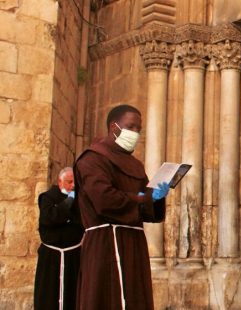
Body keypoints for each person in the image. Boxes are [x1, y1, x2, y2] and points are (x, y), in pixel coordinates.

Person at [74, 104, 170, 310]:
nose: (135, 133)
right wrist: (142, 198)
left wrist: (156, 197)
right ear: (113, 127)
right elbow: (104, 200)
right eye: (131, 127)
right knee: (106, 298)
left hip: (134, 242)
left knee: (135, 296)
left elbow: (145, 207)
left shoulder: (134, 164)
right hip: (105, 242)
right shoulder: (92, 159)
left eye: (138, 129)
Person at [35, 167, 84, 310]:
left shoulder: (80, 200)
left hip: (72, 255)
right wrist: (67, 205)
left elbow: (80, 222)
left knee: (72, 294)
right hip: (51, 256)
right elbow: (48, 219)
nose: (73, 186)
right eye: (69, 182)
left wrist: (64, 216)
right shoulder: (47, 198)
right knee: (48, 294)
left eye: (75, 183)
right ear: (60, 182)